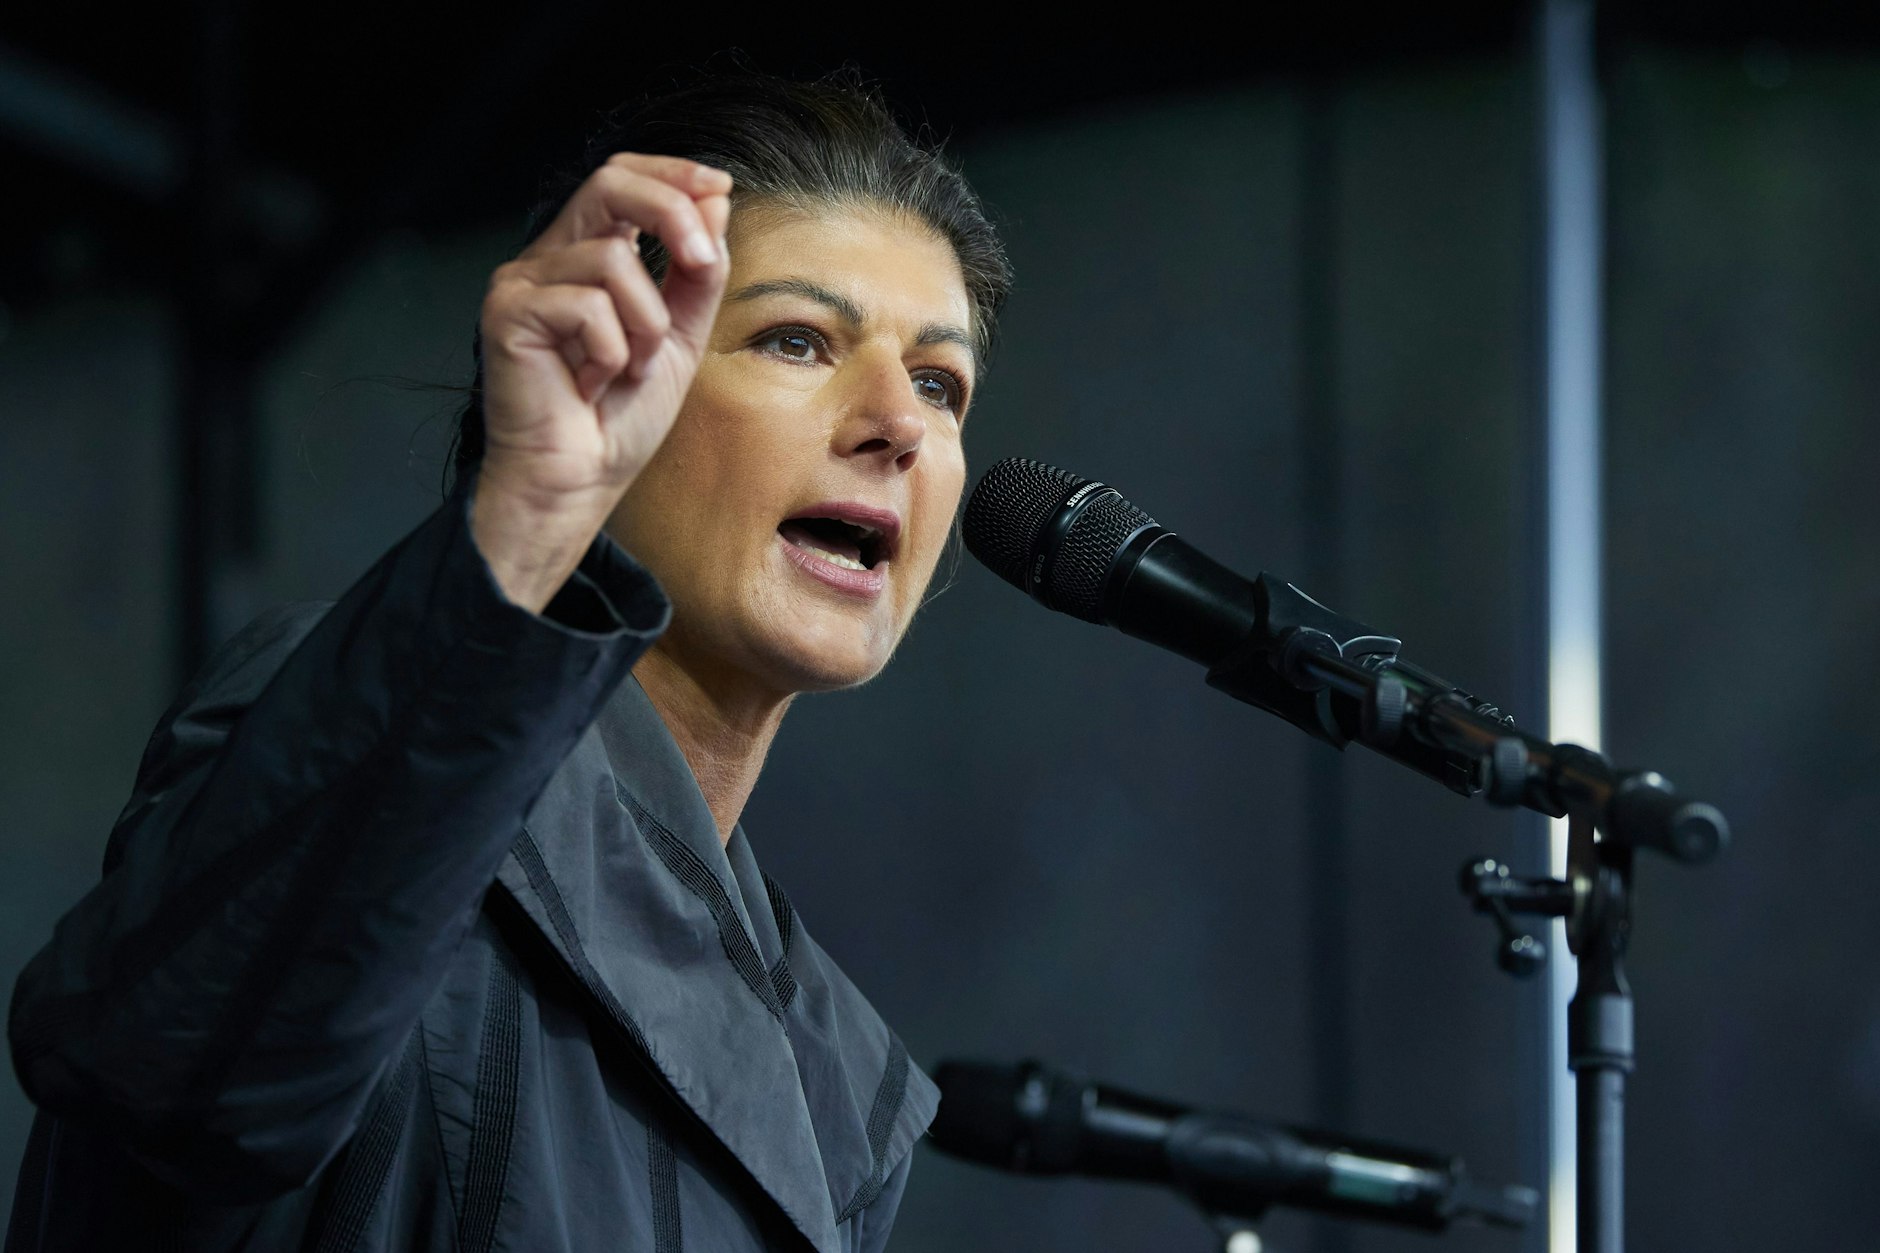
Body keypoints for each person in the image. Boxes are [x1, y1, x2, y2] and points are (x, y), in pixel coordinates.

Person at [6, 69, 1011, 1253]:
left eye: (941, 383)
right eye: (795, 339)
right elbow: (175, 1074)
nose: (898, 421)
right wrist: (528, 514)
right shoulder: (360, 733)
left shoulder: (831, 1067)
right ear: (601, 372)